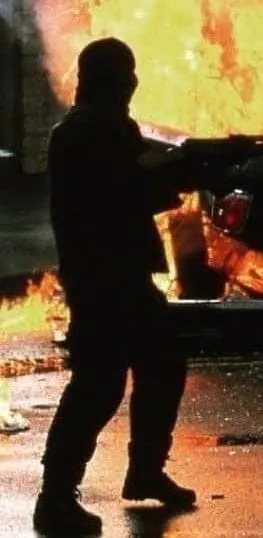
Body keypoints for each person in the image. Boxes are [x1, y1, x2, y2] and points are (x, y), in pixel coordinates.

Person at [33, 38, 197, 536]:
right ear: (110, 81)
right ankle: (55, 497)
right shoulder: (84, 133)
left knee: (161, 363)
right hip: (101, 277)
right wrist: (177, 181)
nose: (132, 84)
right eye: (125, 75)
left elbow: (139, 165)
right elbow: (127, 188)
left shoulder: (105, 128)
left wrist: (190, 162)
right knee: (98, 385)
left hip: (121, 274)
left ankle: (144, 470)